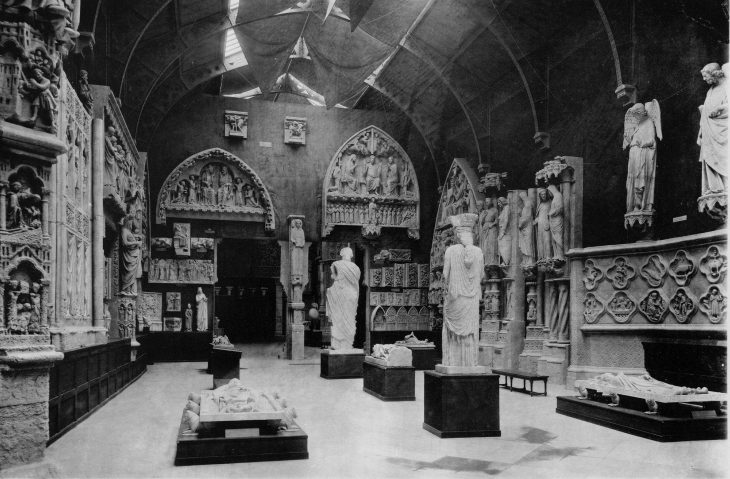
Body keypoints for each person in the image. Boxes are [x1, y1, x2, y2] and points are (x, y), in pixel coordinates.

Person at [441, 213, 484, 367]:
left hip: (455, 297)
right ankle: (469, 363)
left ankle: (453, 362)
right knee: (470, 334)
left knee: (453, 336)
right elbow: (481, 276)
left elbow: (445, 275)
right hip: (471, 299)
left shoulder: (450, 251)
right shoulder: (478, 252)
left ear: (457, 234)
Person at [697, 63, 728, 199]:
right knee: (708, 156)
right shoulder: (710, 90)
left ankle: (725, 185)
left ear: (715, 73)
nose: (704, 79)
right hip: (709, 131)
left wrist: (721, 109)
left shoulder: (727, 86)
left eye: (706, 76)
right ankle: (714, 187)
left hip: (722, 131)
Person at [326, 246, 361, 350]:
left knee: (339, 319)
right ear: (351, 255)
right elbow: (356, 283)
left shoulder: (336, 264)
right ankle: (346, 345)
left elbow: (334, 277)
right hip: (351, 295)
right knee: (349, 319)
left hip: (340, 294)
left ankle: (339, 344)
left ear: (341, 254)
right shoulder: (356, 268)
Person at [120, 216, 143, 295]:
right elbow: (125, 243)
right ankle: (125, 290)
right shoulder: (124, 230)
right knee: (128, 272)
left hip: (134, 255)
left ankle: (131, 291)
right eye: (131, 223)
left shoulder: (129, 232)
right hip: (128, 255)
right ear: (128, 222)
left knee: (134, 275)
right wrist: (136, 243)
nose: (131, 226)